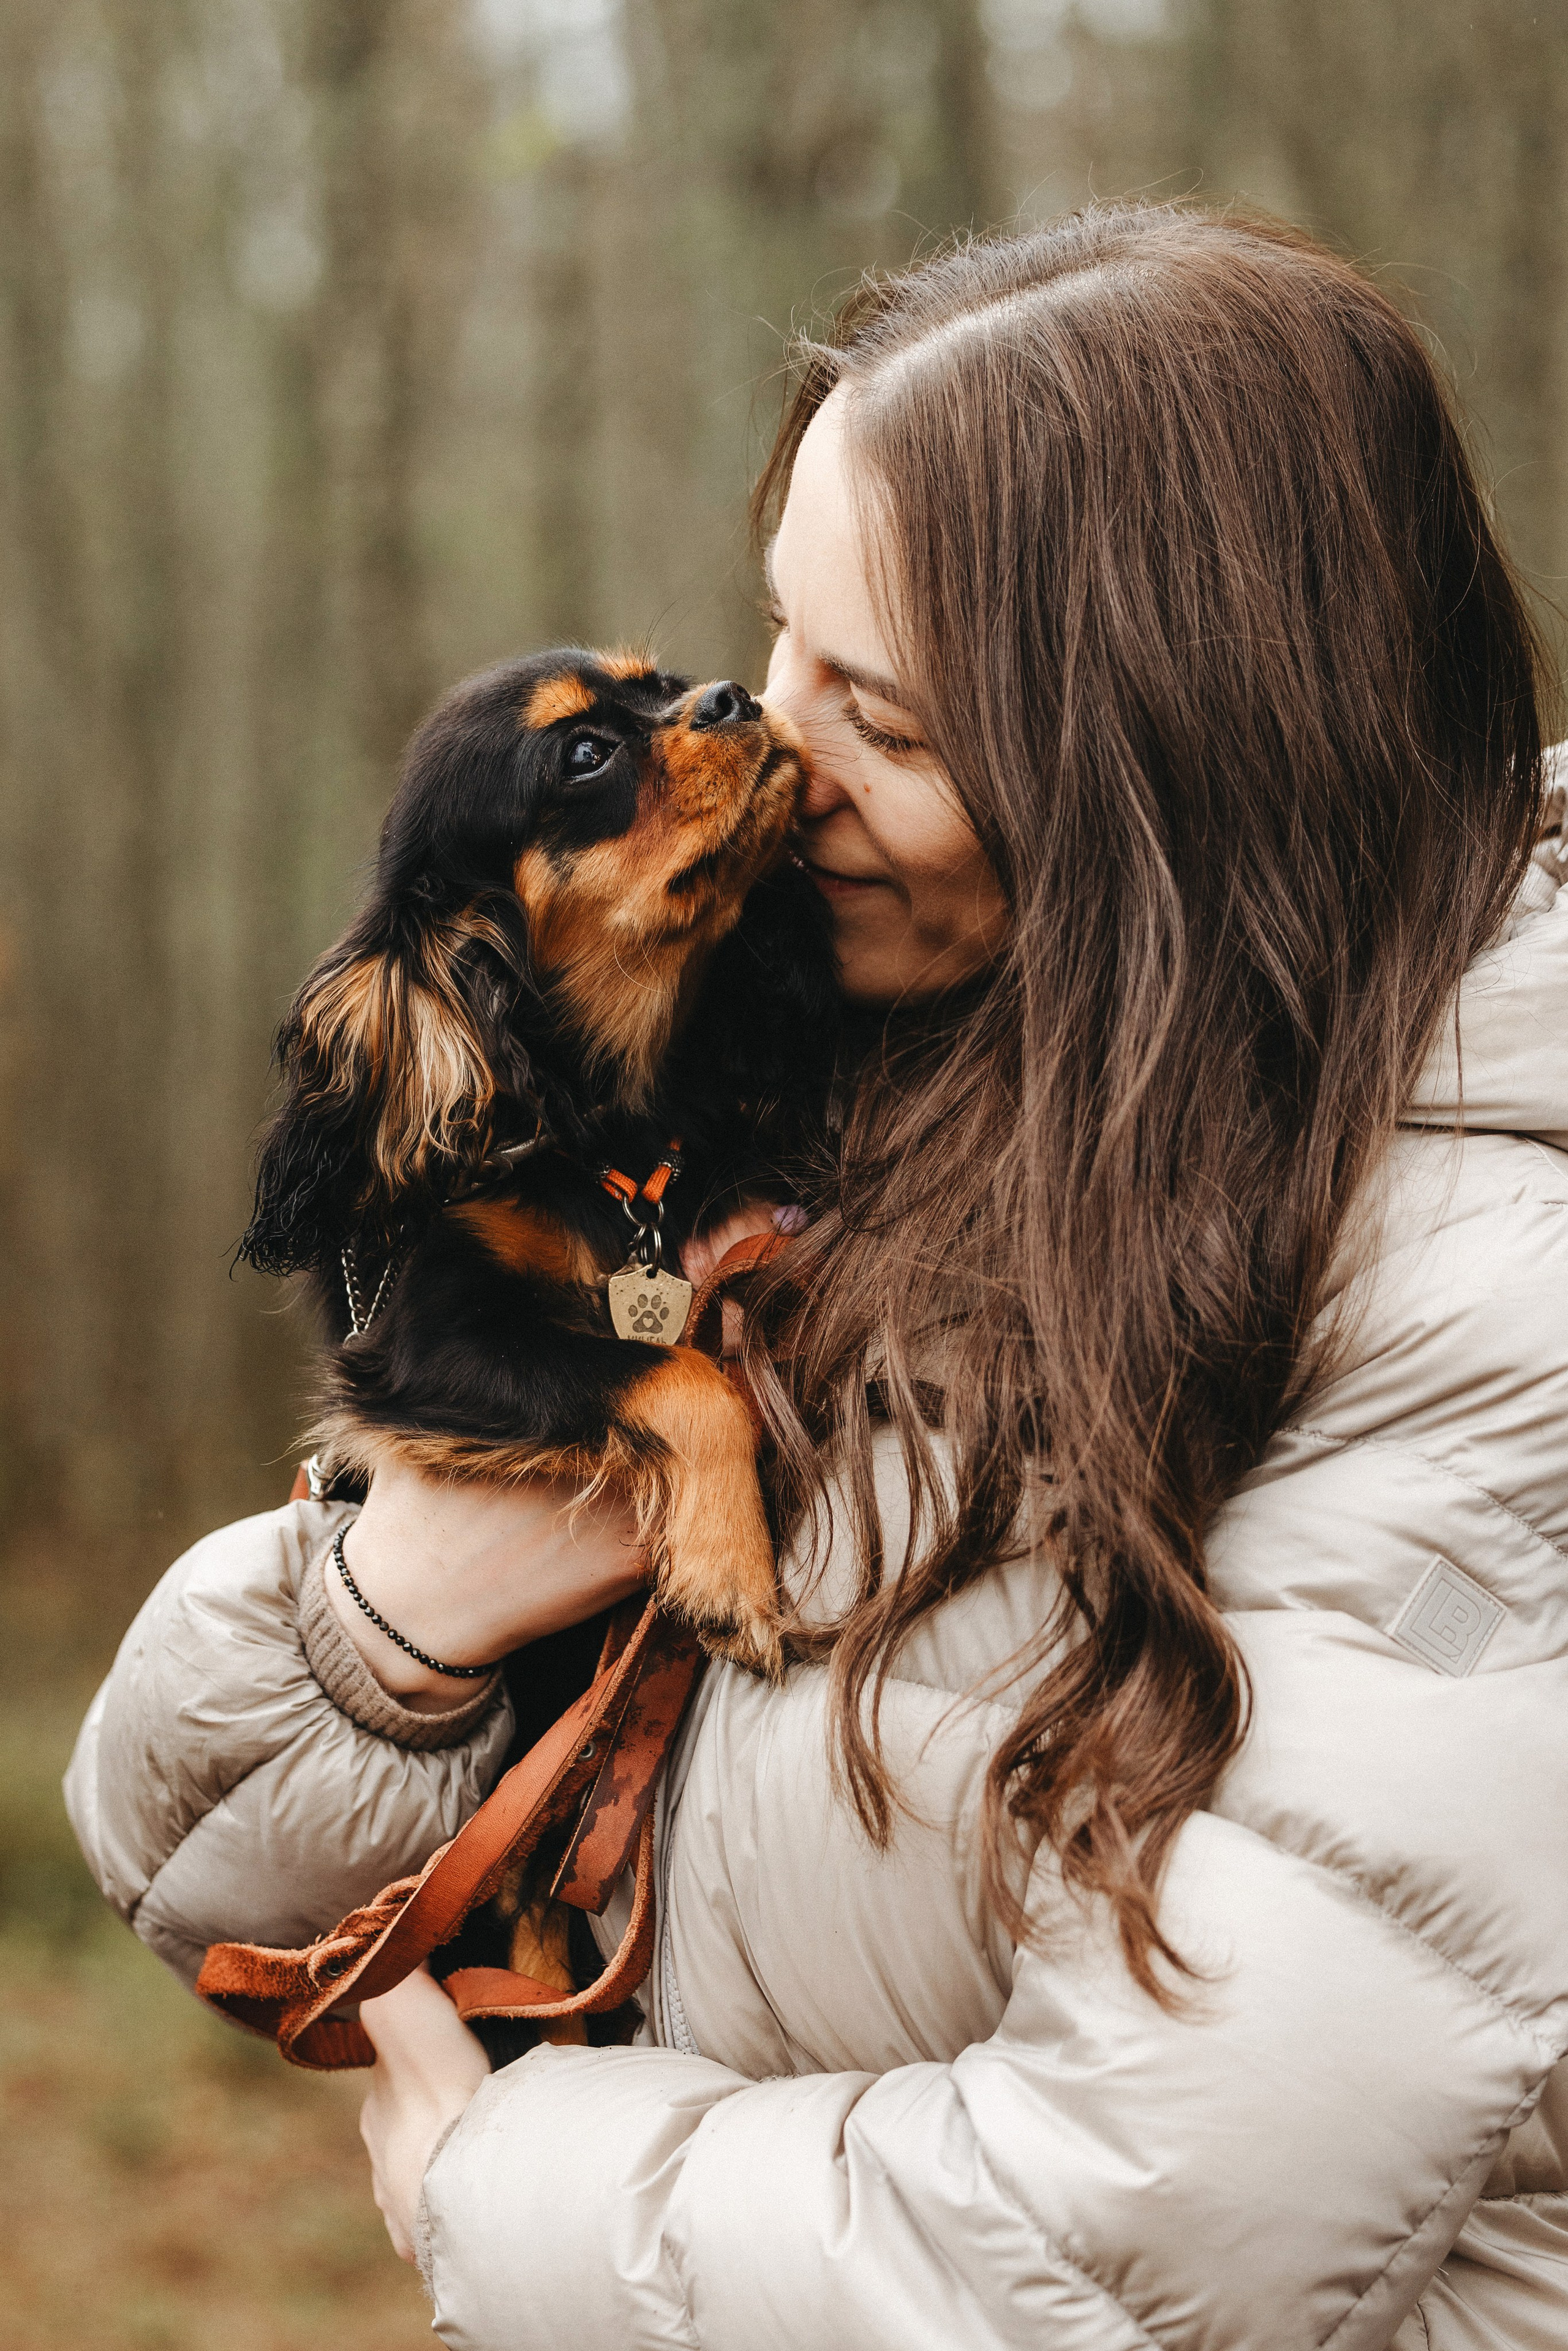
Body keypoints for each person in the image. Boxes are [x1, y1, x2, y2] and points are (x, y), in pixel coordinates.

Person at [66, 205, 1568, 2350]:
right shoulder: (913, 1072)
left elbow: (1110, 2260)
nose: (778, 755)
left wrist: (495, 2189)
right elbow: (194, 1848)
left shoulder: (1493, 1313)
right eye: (779, 644)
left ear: (1169, 778)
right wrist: (388, 1620)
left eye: (885, 717)